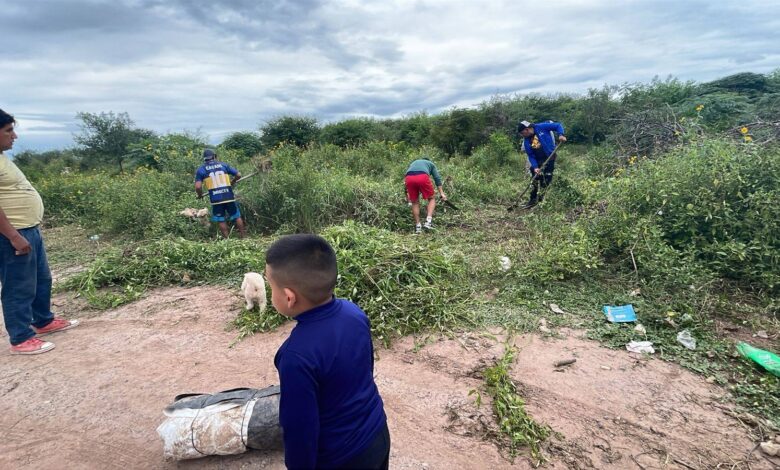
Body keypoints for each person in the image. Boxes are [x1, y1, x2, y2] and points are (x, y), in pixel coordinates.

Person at [266, 234, 390, 469]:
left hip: (340, 458)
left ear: (289, 297)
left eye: (270, 286)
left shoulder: (296, 356)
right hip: (377, 433)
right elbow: (365, 370)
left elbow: (300, 429)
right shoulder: (354, 313)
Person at [0, 109, 79, 355]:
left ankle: (42, 321)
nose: (14, 136)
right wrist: (13, 235)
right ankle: (21, 337)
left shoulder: (3, 158)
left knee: (41, 278)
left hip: (28, 229)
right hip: (12, 234)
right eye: (8, 130)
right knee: (18, 285)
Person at [194, 149, 247, 239]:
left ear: (204, 159)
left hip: (216, 199)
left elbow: (198, 187)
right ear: (214, 156)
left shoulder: (201, 170)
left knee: (221, 219)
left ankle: (227, 240)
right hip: (228, 196)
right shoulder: (224, 165)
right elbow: (238, 175)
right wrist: (233, 181)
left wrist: (200, 195)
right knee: (236, 216)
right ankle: (244, 237)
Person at [517, 120, 567, 208]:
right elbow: (531, 155)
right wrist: (535, 167)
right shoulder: (526, 140)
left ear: (527, 129)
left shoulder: (541, 127)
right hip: (537, 160)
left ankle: (541, 201)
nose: (523, 135)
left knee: (546, 179)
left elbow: (557, 125)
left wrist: (561, 135)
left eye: (523, 133)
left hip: (549, 158)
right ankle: (532, 200)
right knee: (534, 179)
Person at [404, 157, 447, 234]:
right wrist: (442, 193)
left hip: (408, 178)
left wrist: (407, 196)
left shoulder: (414, 163)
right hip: (422, 176)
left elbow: (407, 177)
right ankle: (428, 222)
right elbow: (437, 178)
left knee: (414, 202)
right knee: (431, 198)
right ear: (428, 161)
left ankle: (418, 226)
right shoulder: (431, 164)